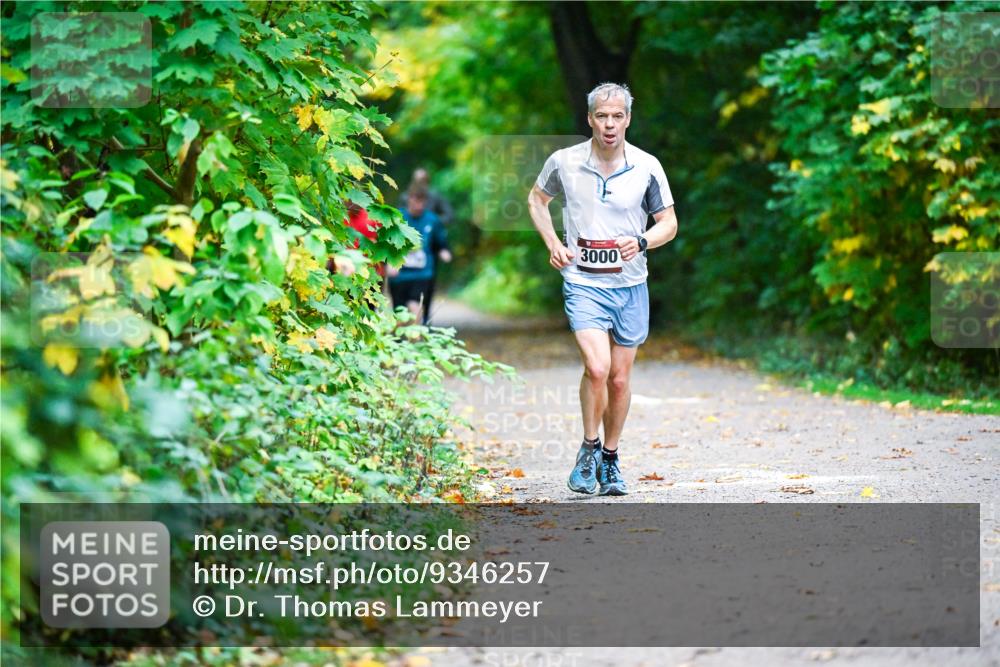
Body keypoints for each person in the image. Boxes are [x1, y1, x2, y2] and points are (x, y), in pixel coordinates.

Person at [527, 82, 679, 496]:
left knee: (618, 379)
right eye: (601, 116)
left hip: (630, 284)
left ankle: (611, 459)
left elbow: (669, 222)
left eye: (617, 116)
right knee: (597, 368)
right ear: (589, 118)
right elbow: (536, 201)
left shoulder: (648, 166)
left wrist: (643, 240)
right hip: (583, 281)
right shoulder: (564, 161)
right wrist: (554, 244)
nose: (609, 124)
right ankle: (589, 449)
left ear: (628, 119)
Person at [388, 188, 452, 324]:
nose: (419, 205)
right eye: (416, 201)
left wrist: (444, 251)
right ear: (409, 200)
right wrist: (390, 264)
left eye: (422, 202)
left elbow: (440, 242)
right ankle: (399, 342)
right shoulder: (397, 218)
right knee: (399, 314)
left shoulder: (432, 220)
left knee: (415, 305)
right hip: (399, 275)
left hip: (422, 274)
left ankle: (416, 340)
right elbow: (388, 243)